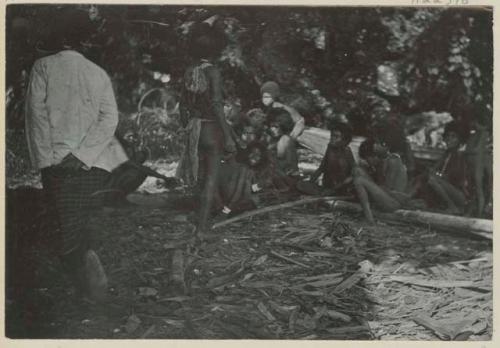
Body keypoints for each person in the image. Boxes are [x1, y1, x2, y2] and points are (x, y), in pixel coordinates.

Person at [24, 9, 128, 302]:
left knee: (65, 222)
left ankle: (89, 284)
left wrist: (49, 159)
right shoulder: (97, 72)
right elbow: (109, 119)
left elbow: (36, 115)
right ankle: (88, 278)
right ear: (82, 41)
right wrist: (83, 155)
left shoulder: (42, 67)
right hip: (90, 164)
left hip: (57, 161)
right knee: (77, 219)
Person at [176, 21, 236, 242]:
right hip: (211, 129)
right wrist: (228, 135)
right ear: (216, 50)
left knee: (200, 177)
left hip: (195, 129)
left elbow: (182, 105)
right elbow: (218, 104)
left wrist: (186, 129)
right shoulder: (214, 72)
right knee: (211, 179)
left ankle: (201, 218)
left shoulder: (189, 71)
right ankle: (202, 228)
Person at [414, 121, 471, 215]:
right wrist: (429, 171)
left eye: (453, 137)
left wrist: (437, 175)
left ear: (460, 139)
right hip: (446, 188)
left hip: (459, 195)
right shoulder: (447, 154)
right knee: (423, 177)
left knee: (432, 180)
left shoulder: (460, 156)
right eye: (448, 136)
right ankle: (409, 198)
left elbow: (457, 180)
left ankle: (452, 207)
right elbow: (435, 169)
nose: (449, 139)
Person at [353, 137, 410, 223]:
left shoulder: (392, 161)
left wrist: (370, 183)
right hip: (387, 199)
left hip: (394, 203)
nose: (368, 162)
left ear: (373, 156)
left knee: (359, 181)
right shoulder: (382, 162)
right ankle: (369, 213)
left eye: (367, 159)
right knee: (358, 171)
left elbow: (389, 190)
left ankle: (369, 218)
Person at [297, 121, 355, 196]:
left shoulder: (347, 152)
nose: (332, 139)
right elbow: (322, 167)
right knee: (300, 184)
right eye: (332, 136)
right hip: (327, 186)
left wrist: (335, 188)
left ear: (345, 141)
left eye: (336, 137)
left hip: (340, 188)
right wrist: (311, 181)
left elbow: (353, 174)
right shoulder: (330, 147)